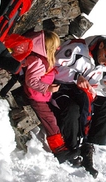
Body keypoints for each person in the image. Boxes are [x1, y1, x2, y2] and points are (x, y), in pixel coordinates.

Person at [50, 35, 106, 178]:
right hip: (63, 88)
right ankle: (72, 147)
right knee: (73, 110)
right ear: (101, 46)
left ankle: (88, 145)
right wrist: (75, 76)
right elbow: (54, 66)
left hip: (85, 93)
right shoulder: (77, 48)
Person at [22, 30, 79, 163]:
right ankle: (59, 150)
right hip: (36, 97)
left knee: (56, 115)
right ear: (47, 48)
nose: (58, 49)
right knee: (50, 120)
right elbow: (31, 81)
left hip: (42, 96)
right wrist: (46, 87)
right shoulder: (38, 62)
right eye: (55, 47)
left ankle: (63, 143)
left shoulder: (43, 59)